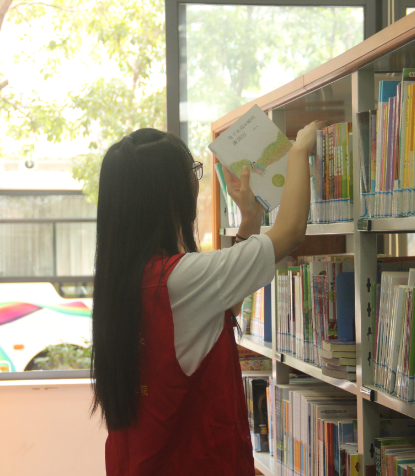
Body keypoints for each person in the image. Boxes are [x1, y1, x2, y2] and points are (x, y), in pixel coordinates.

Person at [90, 120, 322, 475]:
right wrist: (299, 151)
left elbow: (224, 306)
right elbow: (290, 233)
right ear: (169, 194)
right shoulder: (179, 278)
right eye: (192, 172)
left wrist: (250, 219)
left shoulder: (125, 281)